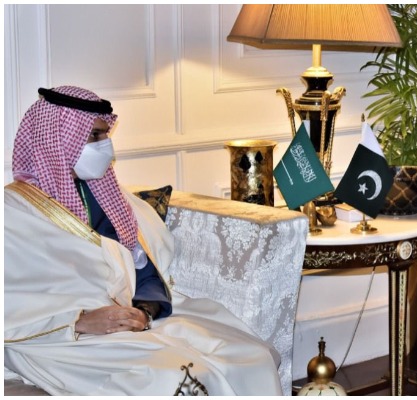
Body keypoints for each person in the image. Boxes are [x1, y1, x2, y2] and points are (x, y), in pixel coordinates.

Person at [4, 86, 283, 395]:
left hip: (131, 322)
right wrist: (79, 321)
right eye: (93, 137)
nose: (106, 146)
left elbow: (146, 270)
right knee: (175, 378)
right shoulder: (14, 214)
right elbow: (14, 301)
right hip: (62, 339)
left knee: (249, 358)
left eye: (105, 135)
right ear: (58, 141)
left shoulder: (110, 198)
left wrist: (146, 310)